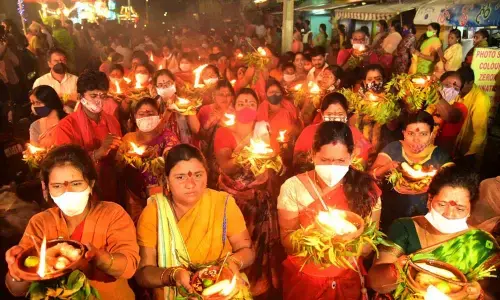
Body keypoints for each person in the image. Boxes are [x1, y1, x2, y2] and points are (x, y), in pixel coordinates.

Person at [5, 145, 140, 300]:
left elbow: (129, 266)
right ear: (47, 189)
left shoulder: (112, 214)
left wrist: (100, 259)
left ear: (91, 184)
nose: (67, 192)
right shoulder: (40, 223)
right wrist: (17, 271)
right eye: (57, 186)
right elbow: (15, 289)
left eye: (76, 184)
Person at [134, 144, 255, 300]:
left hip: (224, 288)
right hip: (176, 293)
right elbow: (144, 273)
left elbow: (247, 249)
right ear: (166, 180)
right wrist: (174, 275)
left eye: (198, 175)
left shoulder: (223, 204)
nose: (191, 184)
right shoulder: (154, 213)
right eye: (180, 177)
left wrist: (232, 264)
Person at [278, 121, 381, 300]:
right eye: (325, 160)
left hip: (347, 279)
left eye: (340, 161)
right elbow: (287, 240)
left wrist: (344, 243)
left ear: (352, 156)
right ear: (312, 155)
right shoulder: (293, 188)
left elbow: (368, 246)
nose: (332, 167)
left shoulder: (366, 189)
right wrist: (318, 242)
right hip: (306, 283)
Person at [368, 165, 498, 299]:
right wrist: (396, 270)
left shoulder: (480, 244)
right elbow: (376, 283)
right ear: (430, 200)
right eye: (442, 204)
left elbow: (490, 294)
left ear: (470, 209)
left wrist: (477, 294)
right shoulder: (405, 228)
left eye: (460, 209)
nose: (449, 214)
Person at [214, 88, 283, 297]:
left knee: (259, 248)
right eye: (241, 102)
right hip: (235, 202)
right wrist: (248, 147)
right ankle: (231, 286)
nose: (246, 106)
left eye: (251, 103)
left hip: (260, 201)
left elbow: (276, 163)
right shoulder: (224, 132)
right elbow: (226, 166)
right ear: (234, 107)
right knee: (235, 246)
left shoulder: (264, 131)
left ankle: (256, 287)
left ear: (257, 108)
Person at [370, 111, 453, 232]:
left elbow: (452, 187)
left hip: (424, 221)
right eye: (411, 133)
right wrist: (387, 167)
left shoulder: (440, 156)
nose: (416, 139)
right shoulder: (393, 149)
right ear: (403, 133)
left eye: (423, 134)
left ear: (431, 134)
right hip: (390, 216)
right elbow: (371, 175)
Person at [54, 70, 122, 202]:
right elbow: (65, 165)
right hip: (81, 193)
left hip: (111, 187)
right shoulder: (66, 126)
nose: (99, 100)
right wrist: (98, 153)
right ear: (80, 97)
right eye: (93, 95)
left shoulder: (112, 121)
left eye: (103, 96)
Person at [121, 97, 179, 222]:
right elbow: (118, 164)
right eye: (141, 114)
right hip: (134, 196)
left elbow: (172, 157)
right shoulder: (128, 138)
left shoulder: (168, 136)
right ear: (135, 117)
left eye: (150, 113)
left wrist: (157, 159)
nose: (146, 117)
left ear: (158, 116)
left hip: (162, 194)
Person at [294, 92, 372, 173]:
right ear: (322, 114)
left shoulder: (354, 134)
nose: (335, 118)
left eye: (340, 114)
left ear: (346, 113)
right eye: (330, 114)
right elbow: (298, 163)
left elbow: (361, 166)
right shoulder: (309, 132)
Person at [195, 80, 235, 188]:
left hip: (227, 158)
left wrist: (223, 121)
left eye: (228, 95)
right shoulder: (205, 110)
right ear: (214, 95)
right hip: (208, 157)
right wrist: (209, 123)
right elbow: (199, 135)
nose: (225, 98)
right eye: (221, 94)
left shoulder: (235, 112)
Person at [454, 66, 491, 165]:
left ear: (470, 83)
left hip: (468, 150)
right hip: (454, 145)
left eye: (459, 85)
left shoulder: (481, 99)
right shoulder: (456, 91)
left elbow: (479, 133)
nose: (456, 88)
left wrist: (470, 155)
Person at [256, 79, 301, 150]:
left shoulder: (289, 108)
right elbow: (259, 131)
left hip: (287, 146)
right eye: (271, 92)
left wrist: (290, 131)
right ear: (266, 94)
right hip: (267, 147)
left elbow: (298, 128)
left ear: (281, 94)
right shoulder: (262, 109)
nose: (274, 94)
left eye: (277, 92)